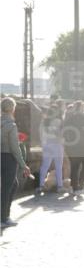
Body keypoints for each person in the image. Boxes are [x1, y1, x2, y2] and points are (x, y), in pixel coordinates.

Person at [2, 98, 33, 228]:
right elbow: (15, 148)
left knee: (10, 185)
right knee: (8, 188)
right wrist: (23, 164)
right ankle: (4, 217)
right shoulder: (11, 125)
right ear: (12, 109)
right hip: (8, 158)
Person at [64, 100, 84, 195]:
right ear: (81, 108)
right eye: (82, 107)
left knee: (76, 166)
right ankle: (78, 186)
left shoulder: (70, 118)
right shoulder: (83, 117)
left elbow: (64, 131)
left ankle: (76, 187)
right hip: (82, 145)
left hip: (74, 146)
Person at [36, 101, 66, 195]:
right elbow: (61, 135)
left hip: (47, 145)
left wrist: (43, 144)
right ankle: (59, 186)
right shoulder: (59, 121)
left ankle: (41, 185)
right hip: (57, 145)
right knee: (58, 166)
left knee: (45, 166)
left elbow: (41, 134)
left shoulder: (44, 122)